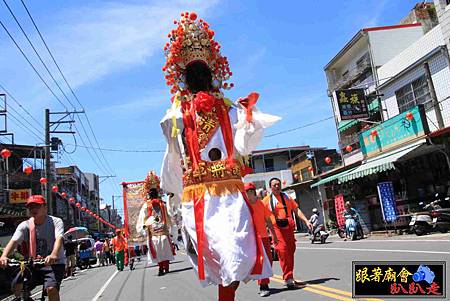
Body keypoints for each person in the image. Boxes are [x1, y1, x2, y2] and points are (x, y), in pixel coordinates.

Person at [160, 12, 279, 301]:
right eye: (194, 71)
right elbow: (172, 149)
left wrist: (249, 119)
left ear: (211, 73)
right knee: (220, 258)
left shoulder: (227, 108)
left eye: (203, 70)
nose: (199, 76)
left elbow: (242, 146)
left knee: (237, 254)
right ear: (186, 77)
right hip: (200, 196)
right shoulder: (177, 112)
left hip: (229, 194)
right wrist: (175, 198)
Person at [0, 195, 66, 301]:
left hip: (54, 263)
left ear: (45, 208)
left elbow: (59, 239)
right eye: (31, 207)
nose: (33, 209)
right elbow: (14, 241)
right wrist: (4, 256)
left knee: (51, 288)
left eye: (37, 206)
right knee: (17, 284)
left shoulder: (55, 222)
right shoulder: (24, 225)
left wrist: (53, 254)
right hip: (33, 263)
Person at [263, 178, 312, 289]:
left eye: (278, 184)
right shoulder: (266, 201)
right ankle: (288, 278)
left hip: (289, 228)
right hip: (277, 230)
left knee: (290, 251)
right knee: (283, 252)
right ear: (270, 187)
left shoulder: (287, 197)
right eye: (274, 185)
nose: (277, 186)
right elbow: (262, 216)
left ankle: (289, 276)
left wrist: (306, 220)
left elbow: (296, 210)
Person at [137, 171, 174, 276]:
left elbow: (167, 216)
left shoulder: (162, 204)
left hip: (162, 231)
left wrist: (170, 228)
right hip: (154, 232)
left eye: (154, 191)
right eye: (152, 191)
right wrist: (144, 227)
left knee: (163, 250)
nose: (153, 193)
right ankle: (161, 267)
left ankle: (164, 266)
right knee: (160, 250)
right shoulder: (147, 205)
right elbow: (143, 218)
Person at [245, 182, 278, 297]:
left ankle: (264, 284)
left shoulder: (261, 204)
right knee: (253, 262)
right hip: (250, 239)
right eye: (246, 192)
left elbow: (268, 220)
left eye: (250, 192)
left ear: (254, 192)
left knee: (267, 261)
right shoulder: (244, 206)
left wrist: (273, 235)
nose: (248, 194)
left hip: (263, 237)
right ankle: (261, 284)